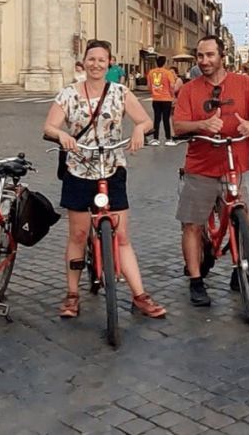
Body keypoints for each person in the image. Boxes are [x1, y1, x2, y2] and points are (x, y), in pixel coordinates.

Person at [43, 40, 166, 320]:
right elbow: (49, 126)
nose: (96, 64)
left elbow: (145, 121)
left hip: (112, 167)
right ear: (84, 62)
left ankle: (140, 295)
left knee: (121, 236)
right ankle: (72, 294)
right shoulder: (68, 95)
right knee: (77, 234)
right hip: (78, 169)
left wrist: (139, 130)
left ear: (109, 63)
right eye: (91, 59)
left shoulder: (120, 93)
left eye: (102, 60)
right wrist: (61, 135)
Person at [173, 35, 249, 307]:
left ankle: (240, 267)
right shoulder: (190, 90)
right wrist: (202, 125)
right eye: (200, 56)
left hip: (235, 166)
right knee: (192, 225)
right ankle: (196, 281)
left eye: (210, 55)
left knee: (244, 220)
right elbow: (178, 127)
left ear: (222, 56)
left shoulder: (244, 84)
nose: (204, 61)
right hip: (201, 166)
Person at [147, 55, 181, 146]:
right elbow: (172, 86)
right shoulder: (167, 73)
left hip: (156, 98)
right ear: (165, 63)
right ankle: (168, 138)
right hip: (166, 98)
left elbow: (149, 86)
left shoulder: (151, 72)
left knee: (157, 119)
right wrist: (171, 94)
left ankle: (155, 138)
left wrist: (153, 92)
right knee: (166, 119)